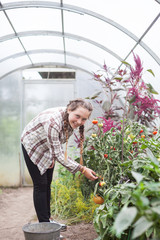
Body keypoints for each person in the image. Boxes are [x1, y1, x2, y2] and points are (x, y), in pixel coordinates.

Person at [21, 98, 98, 231]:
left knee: (48, 182)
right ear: (69, 110)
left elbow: (56, 147)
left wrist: (52, 156)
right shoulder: (53, 122)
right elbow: (58, 153)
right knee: (41, 184)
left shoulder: (68, 119)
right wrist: (82, 169)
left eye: (84, 119)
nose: (79, 122)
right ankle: (44, 226)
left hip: (48, 146)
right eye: (77, 116)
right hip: (32, 145)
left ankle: (48, 220)